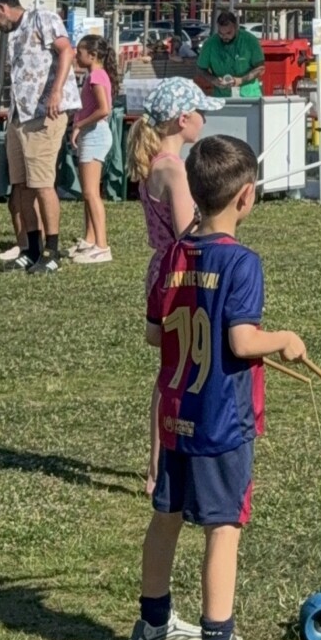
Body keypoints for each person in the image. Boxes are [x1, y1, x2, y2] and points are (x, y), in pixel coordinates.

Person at [128, 134, 307, 640]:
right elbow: (243, 341)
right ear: (246, 196)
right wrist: (285, 340)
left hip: (175, 413)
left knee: (166, 517)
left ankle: (153, 626)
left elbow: (156, 335)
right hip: (221, 419)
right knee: (223, 527)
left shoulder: (172, 256)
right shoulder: (242, 262)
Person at [128, 79, 223, 494]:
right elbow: (187, 232)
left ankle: (157, 466)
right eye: (200, 113)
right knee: (178, 370)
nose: (204, 120)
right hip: (180, 273)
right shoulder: (174, 170)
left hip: (160, 269)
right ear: (183, 119)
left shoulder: (153, 164)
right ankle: (163, 466)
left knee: (170, 369)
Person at [0, 0, 82, 275]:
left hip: (44, 114)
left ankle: (52, 250)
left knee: (42, 183)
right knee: (22, 185)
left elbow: (67, 50)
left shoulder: (42, 18)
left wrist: (56, 92)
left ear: (2, 8)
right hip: (20, 115)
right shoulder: (14, 35)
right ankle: (31, 248)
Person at [69, 35, 119, 264]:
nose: (76, 55)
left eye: (80, 51)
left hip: (95, 134)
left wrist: (79, 124)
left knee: (90, 193)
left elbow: (103, 109)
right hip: (92, 133)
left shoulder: (97, 76)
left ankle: (102, 245)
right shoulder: (95, 75)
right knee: (89, 192)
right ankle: (90, 240)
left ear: (93, 55)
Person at [196, 11, 265, 99]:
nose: (224, 37)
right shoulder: (210, 44)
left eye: (229, 33)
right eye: (221, 33)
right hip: (222, 96)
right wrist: (214, 80)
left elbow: (260, 68)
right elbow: (201, 69)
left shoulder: (250, 41)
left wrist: (241, 80)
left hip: (249, 95)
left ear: (236, 27)